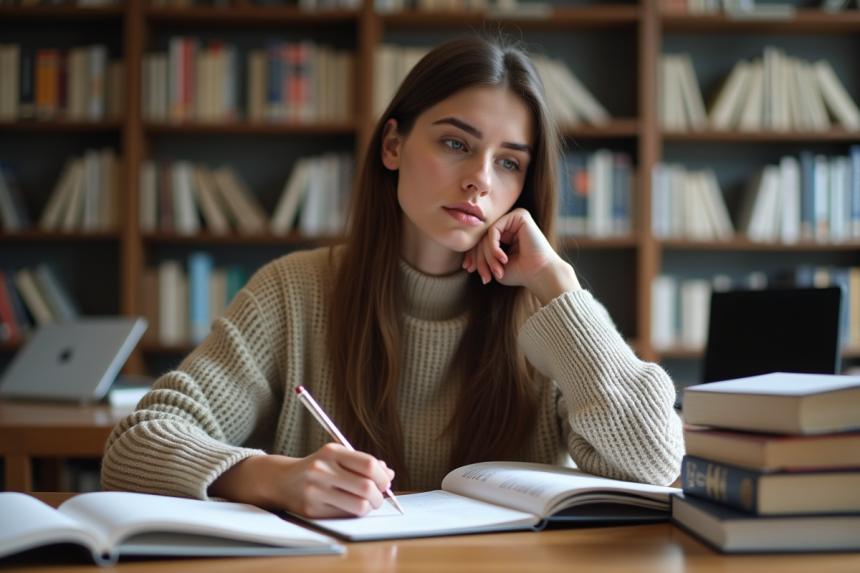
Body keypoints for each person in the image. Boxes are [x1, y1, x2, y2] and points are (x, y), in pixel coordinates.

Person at [102, 35, 684, 519]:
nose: (480, 180)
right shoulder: (294, 291)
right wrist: (270, 479)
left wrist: (557, 284)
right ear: (393, 144)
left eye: (509, 162)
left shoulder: (553, 311)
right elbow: (134, 446)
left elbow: (657, 463)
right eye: (456, 143)